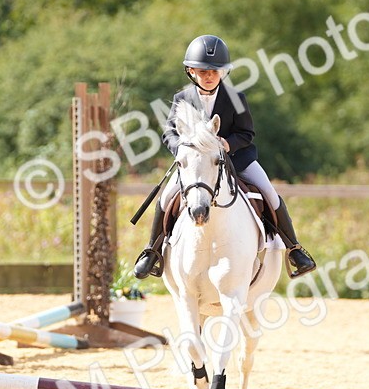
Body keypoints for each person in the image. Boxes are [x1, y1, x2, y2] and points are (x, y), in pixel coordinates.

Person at [133, 35, 317, 280]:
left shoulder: (236, 98)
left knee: (269, 192)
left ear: (223, 72)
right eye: (203, 71)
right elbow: (169, 132)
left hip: (237, 160)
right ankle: (152, 252)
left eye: (215, 71)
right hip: (195, 165)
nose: (209, 76)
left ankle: (295, 249)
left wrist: (227, 144)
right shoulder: (182, 99)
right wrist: (182, 149)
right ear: (191, 72)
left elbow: (247, 133)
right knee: (166, 199)